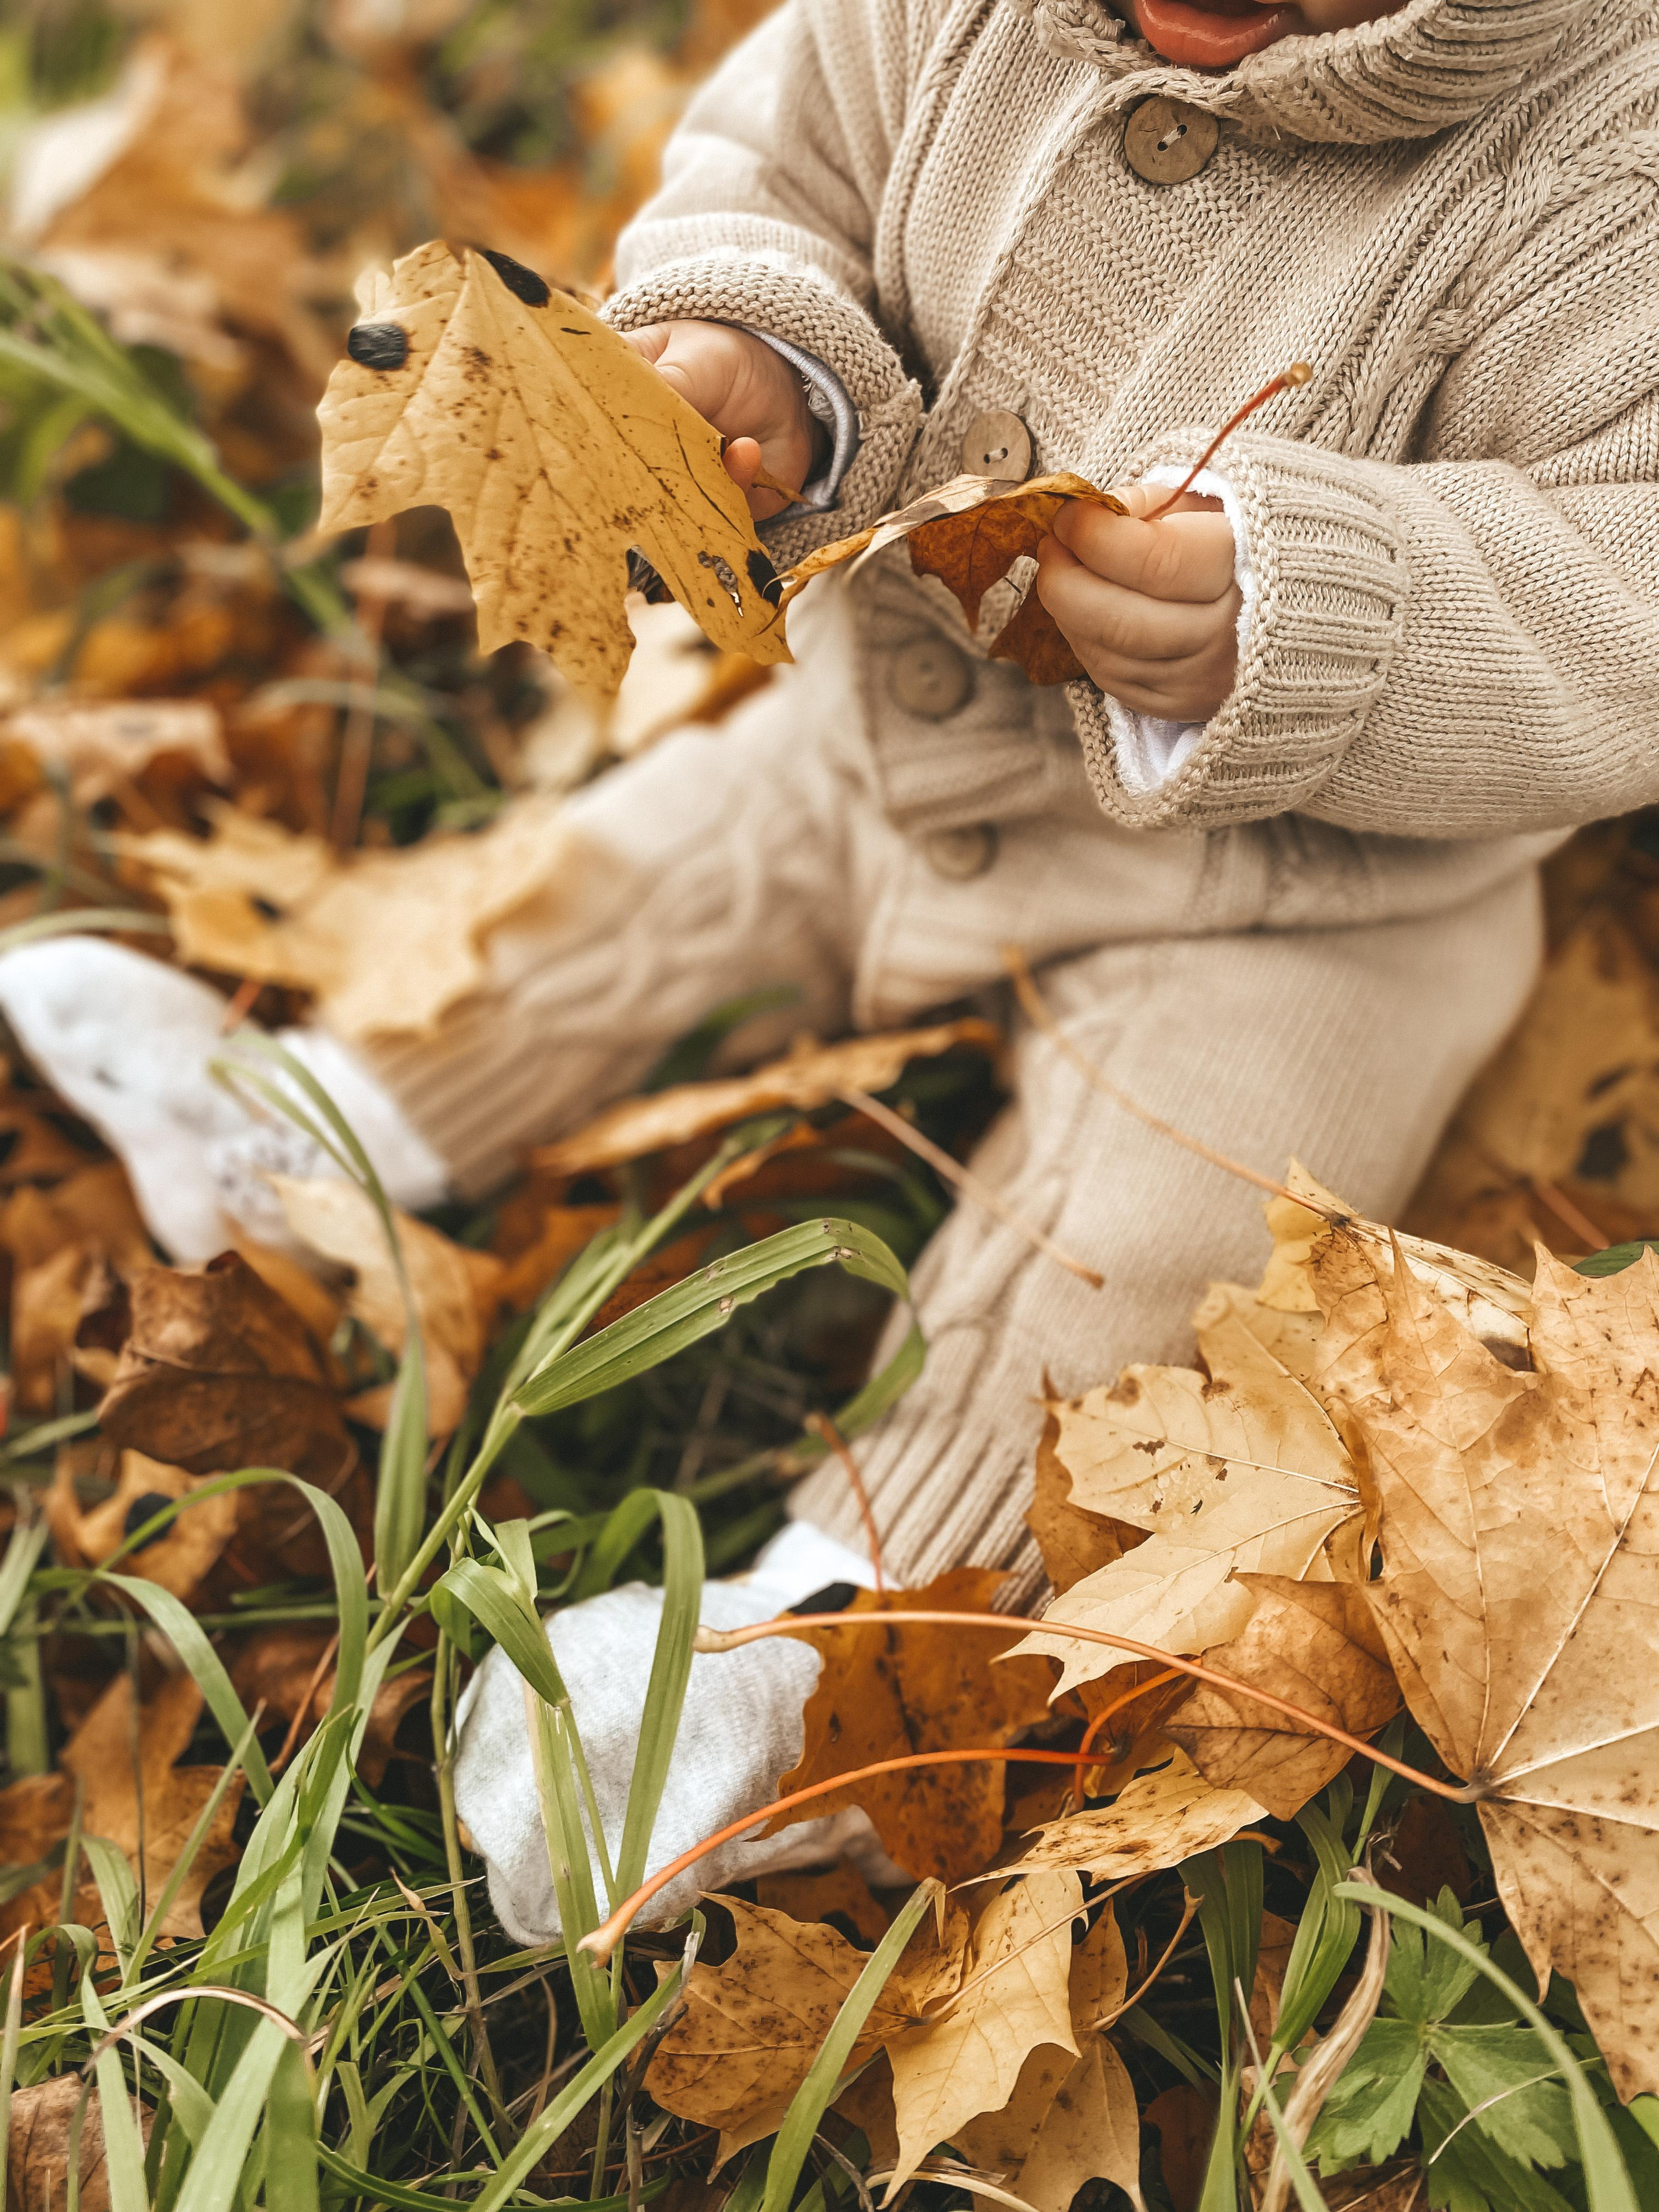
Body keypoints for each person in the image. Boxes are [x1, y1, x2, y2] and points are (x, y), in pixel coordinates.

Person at [6, 0, 1658, 1944]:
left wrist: (1324, 610)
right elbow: (778, 160)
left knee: (1160, 1226)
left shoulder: (1599, 160)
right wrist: (755, 353)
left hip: (1308, 898)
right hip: (893, 736)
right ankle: (326, 1127)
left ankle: (842, 1647)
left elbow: (1627, 582)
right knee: (661, 871)